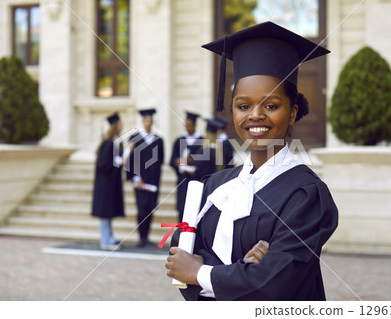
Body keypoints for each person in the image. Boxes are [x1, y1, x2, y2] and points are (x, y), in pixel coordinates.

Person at [165, 21, 339, 301]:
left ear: (292, 113)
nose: (255, 115)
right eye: (243, 106)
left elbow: (278, 284)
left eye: (271, 105)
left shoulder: (306, 194)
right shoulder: (216, 185)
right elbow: (180, 260)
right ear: (232, 111)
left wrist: (201, 273)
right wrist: (243, 273)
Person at [126, 108, 164, 248]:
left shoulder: (159, 140)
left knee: (150, 208)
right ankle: (141, 237)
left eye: (150, 120)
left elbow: (160, 161)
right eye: (146, 120)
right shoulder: (135, 138)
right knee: (141, 208)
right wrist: (135, 177)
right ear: (143, 121)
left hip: (153, 180)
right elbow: (130, 160)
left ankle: (147, 237)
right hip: (139, 180)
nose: (148, 122)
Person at [91, 112, 125, 250]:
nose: (122, 125)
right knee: (105, 213)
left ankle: (109, 237)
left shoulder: (116, 142)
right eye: (120, 123)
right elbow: (103, 165)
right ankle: (105, 240)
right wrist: (119, 162)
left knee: (109, 212)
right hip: (105, 184)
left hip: (111, 183)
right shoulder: (107, 143)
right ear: (115, 126)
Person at [170, 111, 203, 221]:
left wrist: (193, 160)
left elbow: (205, 161)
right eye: (186, 125)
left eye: (190, 125)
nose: (188, 127)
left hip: (196, 180)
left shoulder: (202, 141)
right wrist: (178, 163)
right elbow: (172, 160)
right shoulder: (179, 141)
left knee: (195, 208)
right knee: (182, 208)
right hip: (183, 180)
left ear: (195, 125)